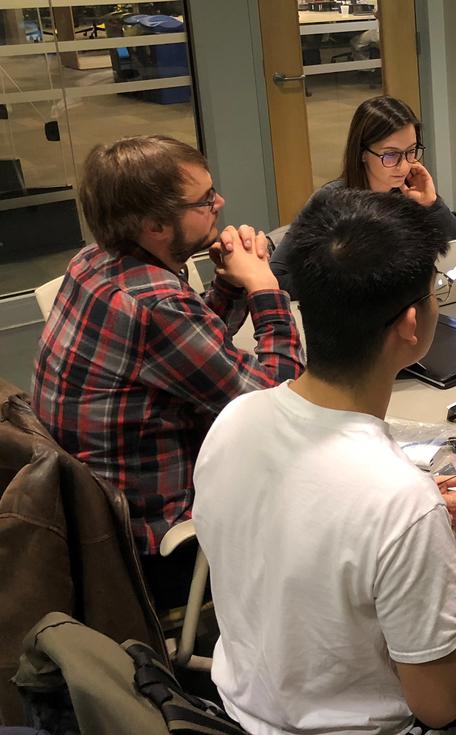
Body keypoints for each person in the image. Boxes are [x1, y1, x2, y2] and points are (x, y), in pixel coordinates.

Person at [193, 187, 456, 734]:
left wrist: (409, 511)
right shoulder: (398, 502)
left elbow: (310, 515)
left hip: (243, 709)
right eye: (436, 290)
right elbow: (439, 703)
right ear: (411, 325)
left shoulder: (235, 420)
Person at [32, 135, 303, 609]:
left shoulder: (92, 261)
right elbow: (278, 403)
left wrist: (226, 284)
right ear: (156, 225)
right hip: (159, 550)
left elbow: (186, 353)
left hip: (91, 528)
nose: (220, 203)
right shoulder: (156, 304)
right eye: (204, 201)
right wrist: (263, 286)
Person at [270, 95, 456, 296]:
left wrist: (432, 205)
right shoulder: (330, 201)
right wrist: (347, 284)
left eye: (411, 151)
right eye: (391, 155)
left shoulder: (413, 192)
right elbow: (276, 276)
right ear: (363, 153)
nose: (404, 165)